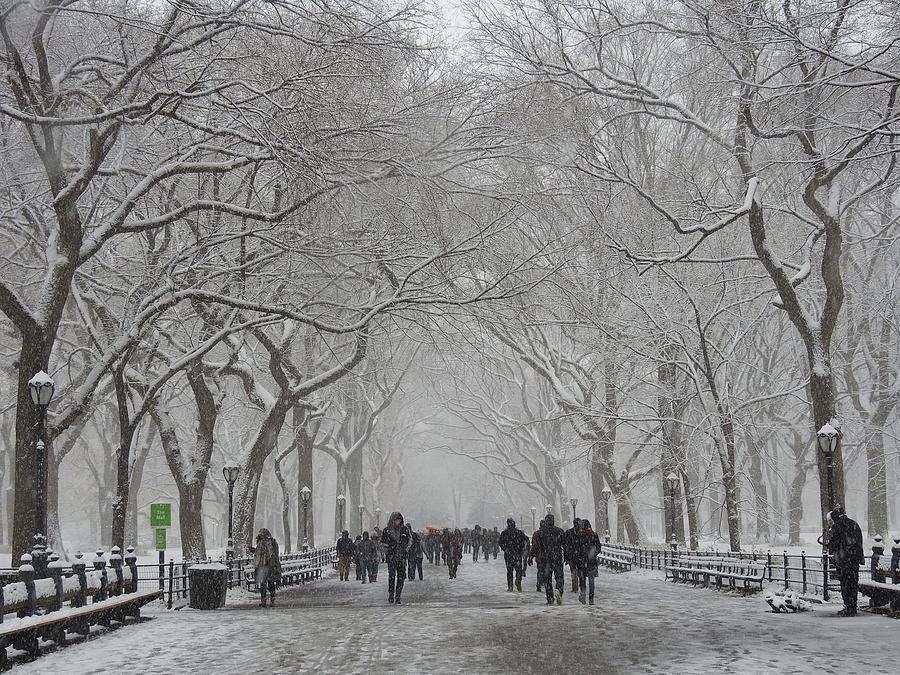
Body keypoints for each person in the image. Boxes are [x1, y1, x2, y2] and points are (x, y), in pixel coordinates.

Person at [825, 507, 865, 616]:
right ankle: (853, 606)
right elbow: (859, 542)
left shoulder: (837, 527)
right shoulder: (854, 524)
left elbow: (833, 544)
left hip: (843, 561)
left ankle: (848, 606)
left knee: (845, 584)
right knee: (853, 583)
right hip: (854, 560)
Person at [531, 514, 565, 605]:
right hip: (557, 557)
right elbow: (565, 545)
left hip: (546, 559)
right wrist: (567, 556)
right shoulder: (559, 531)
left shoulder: (541, 533)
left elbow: (536, 546)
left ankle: (549, 597)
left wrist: (531, 556)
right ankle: (559, 591)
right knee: (559, 577)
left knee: (547, 578)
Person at [381, 511, 412, 604]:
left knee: (401, 577)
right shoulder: (387, 530)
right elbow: (383, 543)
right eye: (396, 520)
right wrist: (389, 550)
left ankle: (398, 595)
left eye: (399, 520)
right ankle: (391, 594)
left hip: (402, 557)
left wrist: (404, 550)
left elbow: (410, 541)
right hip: (391, 557)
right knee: (392, 576)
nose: (397, 522)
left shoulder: (405, 530)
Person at [248, 528, 281, 607]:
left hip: (270, 566)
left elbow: (274, 554)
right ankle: (263, 600)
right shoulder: (260, 543)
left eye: (263, 535)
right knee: (263, 584)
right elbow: (257, 552)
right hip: (262, 566)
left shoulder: (272, 543)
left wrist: (272, 563)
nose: (262, 537)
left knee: (271, 583)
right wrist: (251, 549)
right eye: (260, 536)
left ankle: (272, 600)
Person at [574, 519, 601, 605]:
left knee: (582, 578)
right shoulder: (594, 535)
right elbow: (598, 548)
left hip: (581, 561)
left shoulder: (579, 536)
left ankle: (583, 594)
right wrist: (593, 554)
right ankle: (591, 597)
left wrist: (578, 556)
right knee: (591, 578)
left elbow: (576, 549)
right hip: (592, 561)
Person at [498, 518, 529, 592]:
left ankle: (510, 586)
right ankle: (518, 580)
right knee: (518, 570)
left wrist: (505, 549)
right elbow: (526, 540)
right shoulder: (519, 532)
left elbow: (500, 542)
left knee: (509, 571)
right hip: (517, 554)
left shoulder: (504, 533)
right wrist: (521, 548)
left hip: (509, 554)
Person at [564, 518, 582, 593]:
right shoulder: (582, 533)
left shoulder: (569, 532)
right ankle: (579, 586)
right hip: (578, 556)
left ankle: (575, 587)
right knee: (579, 572)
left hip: (572, 555)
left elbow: (565, 544)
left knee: (574, 572)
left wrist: (566, 555)